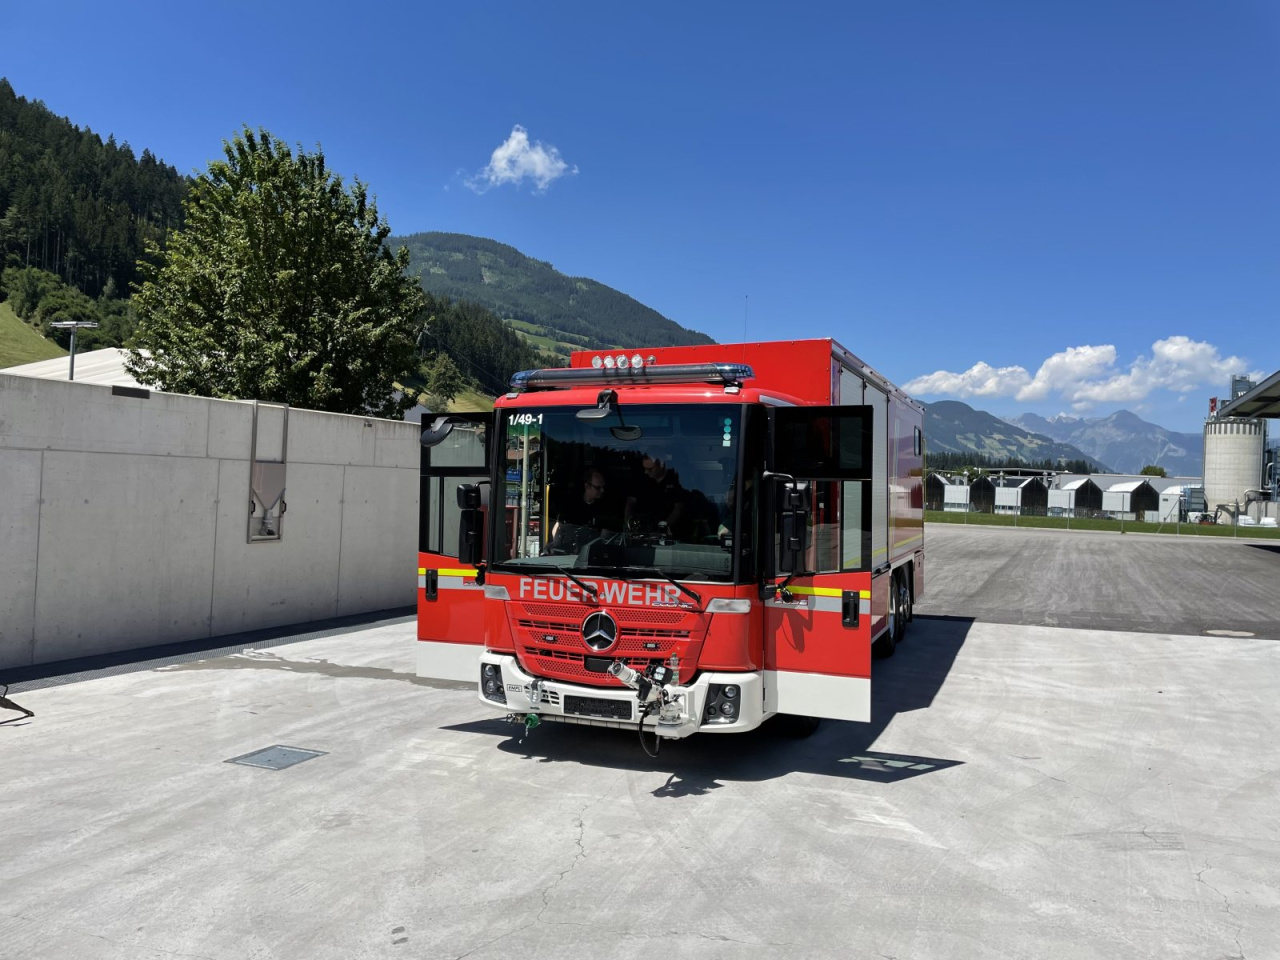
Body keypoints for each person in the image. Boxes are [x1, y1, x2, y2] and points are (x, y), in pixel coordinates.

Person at [548, 468, 607, 553]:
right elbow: (559, 526)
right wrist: (556, 544)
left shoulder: (604, 507)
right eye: (598, 487)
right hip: (571, 552)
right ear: (587, 486)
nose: (602, 490)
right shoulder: (571, 504)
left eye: (603, 487)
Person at [626, 455, 686, 537]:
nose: (646, 472)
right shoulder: (641, 480)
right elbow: (630, 504)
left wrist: (661, 530)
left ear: (661, 464)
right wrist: (630, 526)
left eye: (650, 469)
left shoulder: (676, 480)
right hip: (642, 532)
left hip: (671, 533)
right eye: (645, 468)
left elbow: (679, 509)